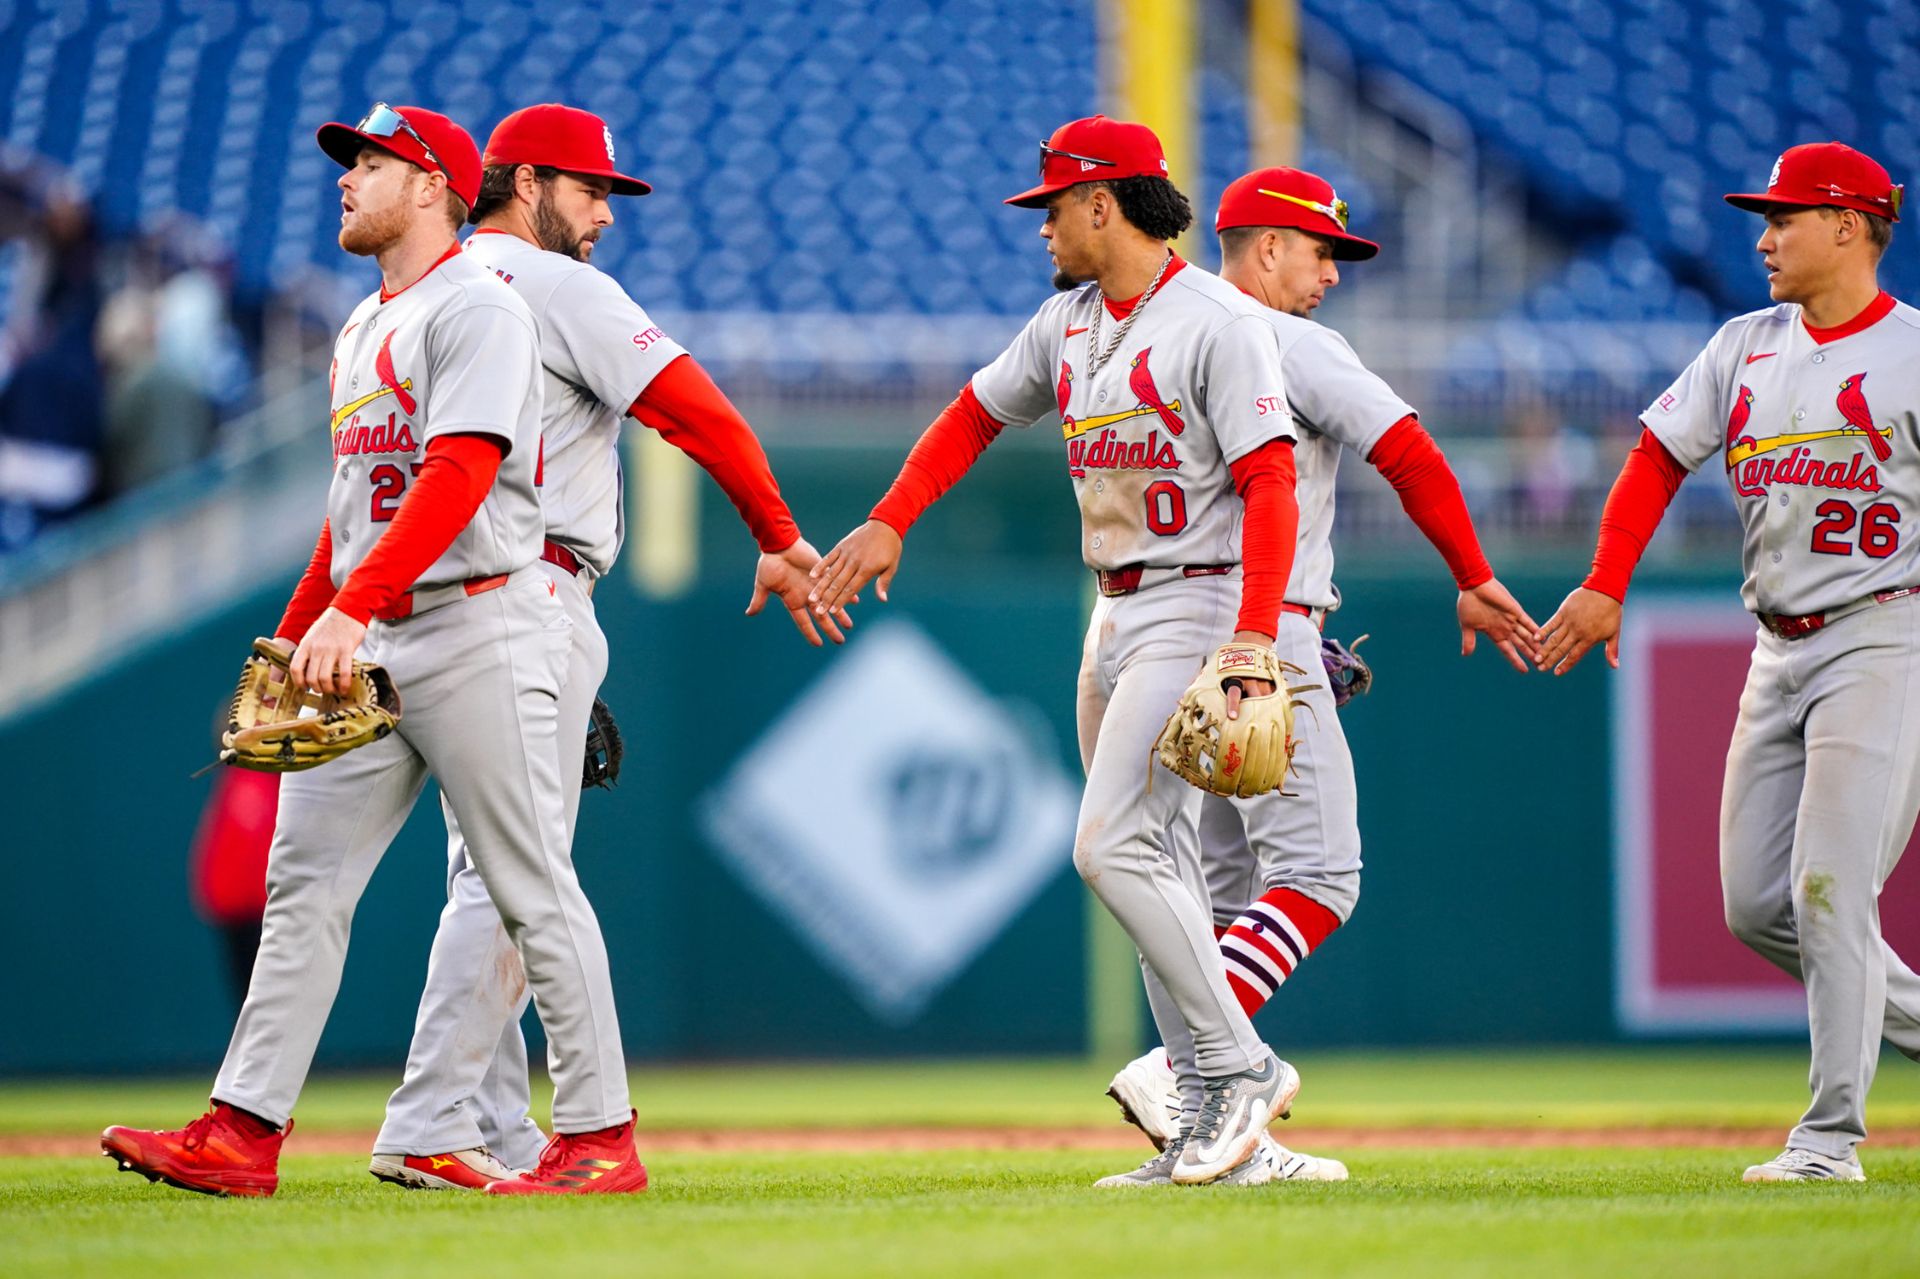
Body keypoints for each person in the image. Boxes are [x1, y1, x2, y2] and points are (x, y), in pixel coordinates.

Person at [101, 103, 644, 1197]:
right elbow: (347, 512)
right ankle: (242, 1130)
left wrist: (354, 607)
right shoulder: (363, 324)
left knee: (529, 886)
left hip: (478, 619)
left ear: (435, 183)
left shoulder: (480, 306)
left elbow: (461, 470)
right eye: (349, 161)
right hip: (377, 628)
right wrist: (305, 622)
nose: (348, 178)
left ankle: (599, 1137)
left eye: (372, 161)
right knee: (301, 881)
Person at [810, 115, 1304, 1186]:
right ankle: (1216, 1121)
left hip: (1196, 598)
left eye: (1052, 208)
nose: (1041, 228)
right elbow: (971, 415)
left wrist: (1256, 634)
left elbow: (1273, 483)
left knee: (1109, 845)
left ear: (1101, 203)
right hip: (1112, 607)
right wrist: (892, 516)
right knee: (1157, 864)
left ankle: (1240, 1067)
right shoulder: (1067, 322)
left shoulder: (1218, 322)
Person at [366, 102, 847, 1191]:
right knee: (516, 878)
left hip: (426, 593)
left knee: (484, 875)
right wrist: (778, 535)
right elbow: (699, 412)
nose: (606, 215)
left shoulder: (425, 291)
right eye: (591, 190)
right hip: (527, 587)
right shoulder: (555, 284)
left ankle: (485, 1123)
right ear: (527, 183)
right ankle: (437, 1117)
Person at [1102, 167, 1541, 1182]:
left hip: (1160, 625)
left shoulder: (1160, 337)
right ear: (1266, 247)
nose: (1332, 274)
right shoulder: (1287, 342)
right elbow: (1409, 451)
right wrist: (1471, 572)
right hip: (1264, 630)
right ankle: (1186, 1065)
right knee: (1321, 873)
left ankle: (1217, 1140)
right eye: (1320, 250)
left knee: (1209, 894)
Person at [1536, 141, 1920, 1182]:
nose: (1763, 238)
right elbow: (1656, 456)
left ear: (1849, 226)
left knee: (1830, 889)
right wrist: (1606, 580)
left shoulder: (1911, 353)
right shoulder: (1744, 345)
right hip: (1777, 645)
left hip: (1884, 635)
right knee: (1758, 906)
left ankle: (1830, 1140)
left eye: (1784, 218)